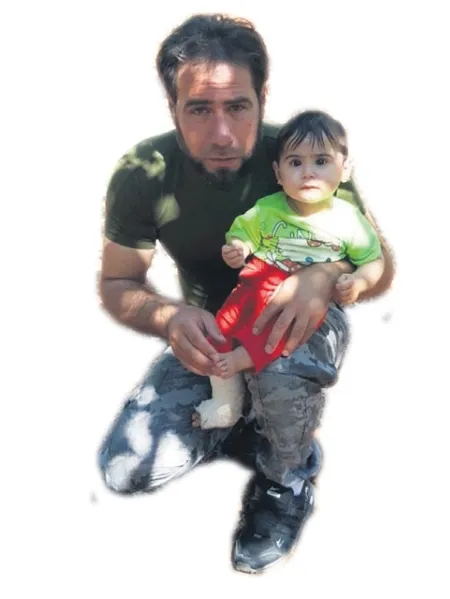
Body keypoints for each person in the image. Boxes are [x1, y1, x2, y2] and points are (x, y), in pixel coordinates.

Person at [97, 13, 394, 574]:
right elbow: (117, 282)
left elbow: (378, 265)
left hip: (302, 319)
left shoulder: (306, 155)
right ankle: (251, 425)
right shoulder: (144, 173)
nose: (223, 134)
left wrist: (324, 275)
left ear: (263, 97)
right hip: (218, 327)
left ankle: (288, 475)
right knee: (125, 469)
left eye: (238, 106)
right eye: (199, 109)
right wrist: (167, 317)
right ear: (171, 107)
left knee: (282, 377)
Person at [192, 109, 384, 430]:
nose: (308, 173)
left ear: (345, 168)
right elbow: (244, 233)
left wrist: (359, 282)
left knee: (280, 336)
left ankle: (242, 362)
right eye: (295, 163)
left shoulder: (348, 219)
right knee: (219, 335)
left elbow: (373, 260)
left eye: (321, 161)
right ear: (278, 173)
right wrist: (238, 248)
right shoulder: (267, 208)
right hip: (254, 286)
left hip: (304, 300)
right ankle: (226, 404)